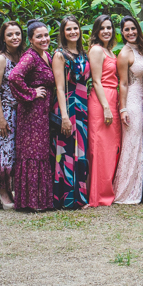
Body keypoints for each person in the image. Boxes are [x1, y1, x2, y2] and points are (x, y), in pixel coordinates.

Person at [7, 20, 55, 211]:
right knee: (32, 153)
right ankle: (30, 201)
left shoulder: (46, 55)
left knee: (41, 152)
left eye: (46, 35)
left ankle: (40, 200)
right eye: (39, 36)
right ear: (31, 40)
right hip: (31, 113)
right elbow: (14, 76)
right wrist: (31, 93)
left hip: (43, 112)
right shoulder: (30, 57)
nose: (44, 39)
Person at [52, 16, 90, 210]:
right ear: (63, 33)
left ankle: (80, 197)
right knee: (66, 152)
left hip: (83, 105)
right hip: (68, 104)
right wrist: (64, 117)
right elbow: (59, 87)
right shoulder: (60, 55)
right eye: (68, 29)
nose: (73, 32)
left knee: (81, 151)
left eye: (75, 28)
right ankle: (65, 198)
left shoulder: (83, 53)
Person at [0, 20, 23, 210]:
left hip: (21, 111)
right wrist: (1, 118)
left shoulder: (22, 56)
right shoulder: (0, 58)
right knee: (4, 151)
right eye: (10, 34)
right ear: (3, 37)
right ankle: (2, 191)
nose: (14, 37)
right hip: (5, 111)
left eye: (17, 33)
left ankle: (12, 190)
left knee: (15, 152)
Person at [114, 16, 143, 204]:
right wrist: (123, 109)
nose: (130, 32)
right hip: (133, 101)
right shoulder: (124, 53)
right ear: (122, 32)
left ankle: (142, 187)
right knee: (133, 144)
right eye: (126, 30)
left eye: (133, 28)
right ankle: (126, 190)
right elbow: (123, 83)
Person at [88, 14, 120, 207]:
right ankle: (97, 194)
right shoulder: (97, 50)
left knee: (111, 147)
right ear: (97, 31)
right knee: (100, 147)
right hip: (101, 100)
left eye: (109, 27)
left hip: (112, 97)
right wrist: (106, 107)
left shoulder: (110, 51)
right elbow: (96, 81)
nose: (106, 31)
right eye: (102, 28)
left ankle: (108, 190)